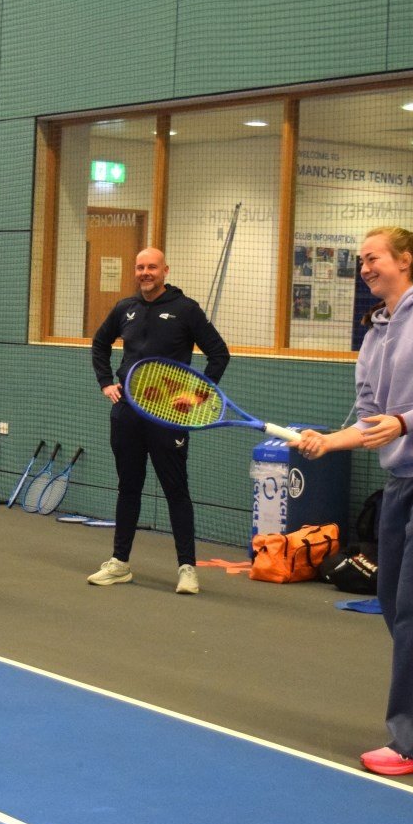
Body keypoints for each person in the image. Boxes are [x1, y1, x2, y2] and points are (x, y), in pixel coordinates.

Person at [295, 226, 413, 776]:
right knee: (392, 598)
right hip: (402, 482)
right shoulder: (375, 335)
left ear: (406, 260)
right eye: (361, 261)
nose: (364, 268)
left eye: (373, 258)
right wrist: (330, 441)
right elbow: (368, 418)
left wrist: (406, 421)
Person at [88, 247, 229, 595]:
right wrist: (107, 381)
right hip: (127, 414)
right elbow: (100, 343)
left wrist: (197, 395)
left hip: (168, 417)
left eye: (152, 267)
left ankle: (187, 569)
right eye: (140, 267)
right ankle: (119, 563)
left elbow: (218, 354)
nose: (145, 272)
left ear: (165, 270)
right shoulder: (125, 308)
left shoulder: (186, 309)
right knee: (128, 487)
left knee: (176, 491)